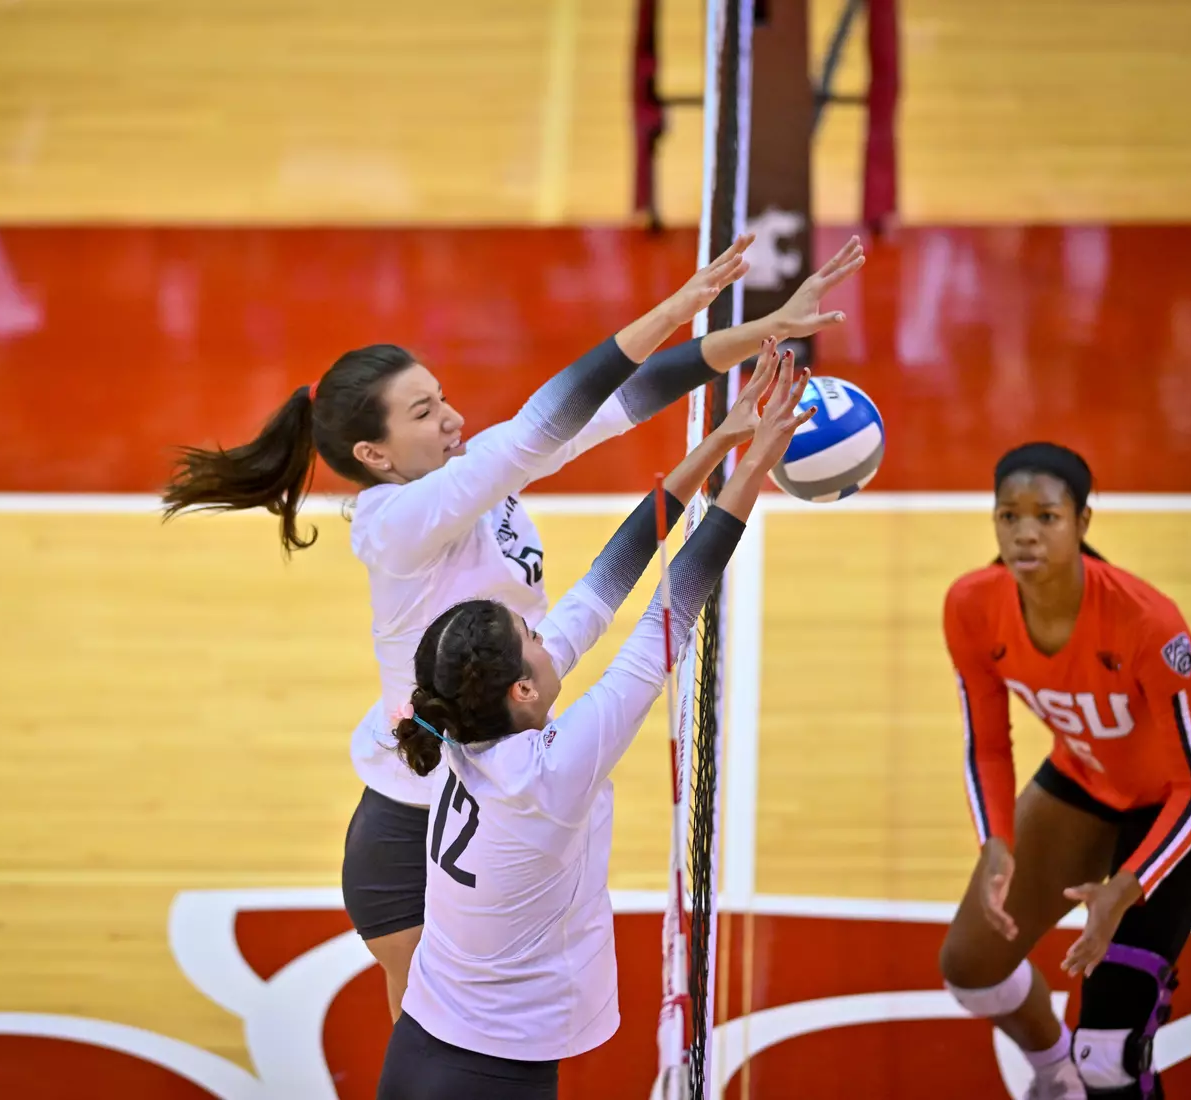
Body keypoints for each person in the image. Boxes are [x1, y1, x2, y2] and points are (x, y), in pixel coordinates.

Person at [161, 236, 865, 1018]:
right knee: (434, 1037)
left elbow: (618, 404)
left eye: (441, 397)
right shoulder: (397, 522)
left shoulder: (469, 479)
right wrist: (677, 306)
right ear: (374, 454)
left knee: (486, 1029)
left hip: (492, 793)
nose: (453, 418)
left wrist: (764, 330)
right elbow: (544, 422)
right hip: (411, 823)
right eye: (424, 412)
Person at [376, 339, 814, 1099]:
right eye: (534, 638)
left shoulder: (467, 732)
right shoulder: (546, 773)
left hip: (423, 1043)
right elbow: (663, 625)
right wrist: (753, 470)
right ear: (522, 689)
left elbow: (603, 586)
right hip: (488, 1075)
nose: (549, 637)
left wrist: (721, 441)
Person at [939, 442, 1191, 1100]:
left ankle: (1091, 1071)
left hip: (1184, 796)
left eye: (1046, 516)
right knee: (972, 968)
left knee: (1109, 1055)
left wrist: (1126, 889)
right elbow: (987, 745)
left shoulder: (1149, 622)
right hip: (1087, 775)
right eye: (1008, 515)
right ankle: (1057, 1076)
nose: (1025, 533)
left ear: (1082, 521)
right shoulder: (971, 604)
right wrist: (996, 841)